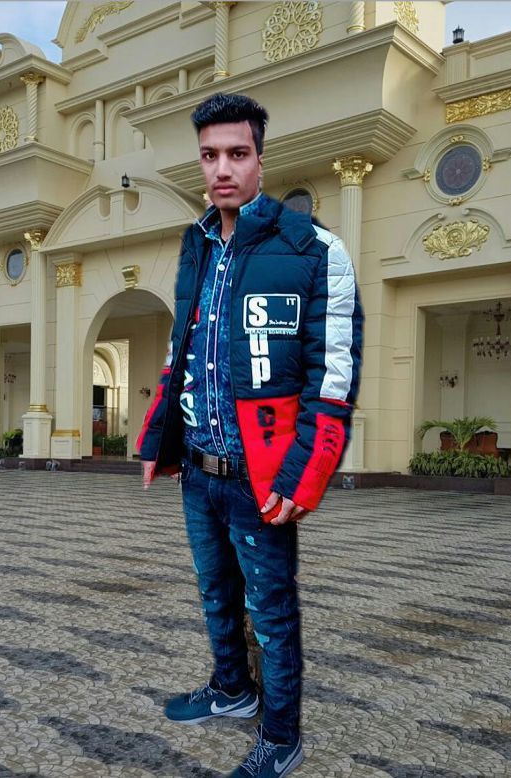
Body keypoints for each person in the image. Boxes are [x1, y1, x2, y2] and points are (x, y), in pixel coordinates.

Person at [138, 92, 363, 778]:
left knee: (271, 612)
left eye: (237, 154)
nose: (222, 169)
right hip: (199, 472)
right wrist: (158, 439)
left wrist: (305, 472)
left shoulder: (313, 249)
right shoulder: (197, 245)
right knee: (215, 594)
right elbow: (181, 353)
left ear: (261, 159)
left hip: (261, 477)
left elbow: (333, 377)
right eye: (210, 156)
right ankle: (231, 690)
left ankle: (281, 735)